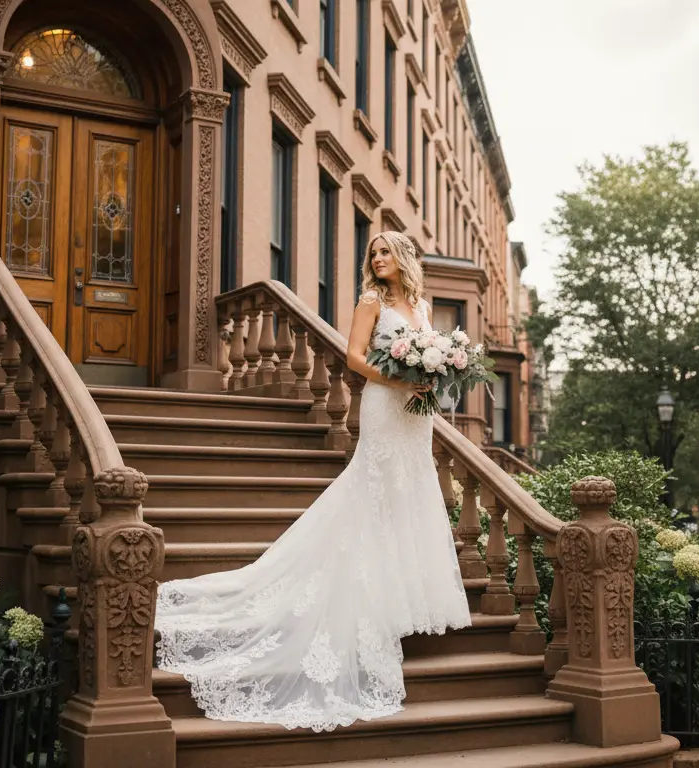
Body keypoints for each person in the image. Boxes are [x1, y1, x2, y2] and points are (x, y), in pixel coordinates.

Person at [153, 231, 471, 732]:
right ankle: (368, 599)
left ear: (405, 257)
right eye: (374, 254)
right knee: (374, 494)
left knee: (410, 497)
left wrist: (434, 375)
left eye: (386, 252)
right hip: (388, 406)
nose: (378, 259)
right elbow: (354, 359)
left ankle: (405, 601)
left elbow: (428, 355)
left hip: (418, 414)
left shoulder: (424, 307)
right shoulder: (371, 301)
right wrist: (401, 380)